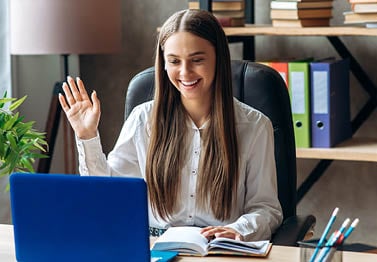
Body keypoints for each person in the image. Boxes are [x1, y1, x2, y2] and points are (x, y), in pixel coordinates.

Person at [58, 9, 282, 241]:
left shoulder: (254, 126)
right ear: (163, 64)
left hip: (219, 249)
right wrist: (87, 136)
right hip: (157, 248)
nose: (185, 72)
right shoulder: (143, 119)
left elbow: (266, 209)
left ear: (219, 59)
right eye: (174, 61)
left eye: (197, 60)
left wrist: (239, 229)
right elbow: (106, 194)